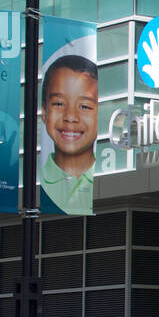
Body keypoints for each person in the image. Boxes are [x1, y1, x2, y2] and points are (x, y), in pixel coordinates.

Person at [39, 54, 98, 215]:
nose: (70, 117)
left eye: (85, 106)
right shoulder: (38, 181)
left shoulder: (103, 175)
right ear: (44, 112)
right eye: (59, 104)